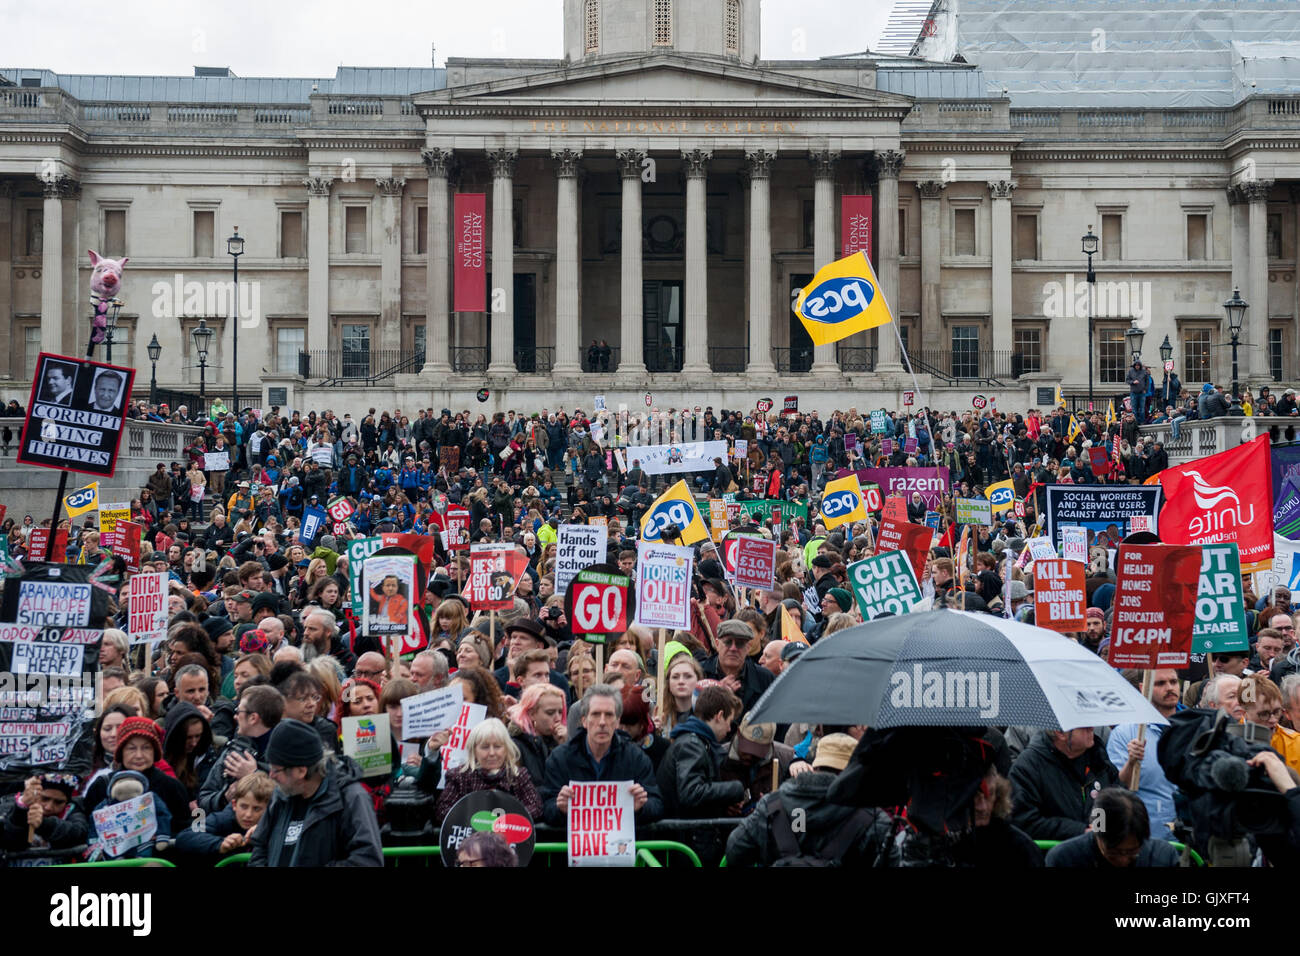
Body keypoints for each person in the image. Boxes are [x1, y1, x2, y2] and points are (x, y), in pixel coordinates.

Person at [725, 733, 896, 867]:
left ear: (816, 765)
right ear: (853, 770)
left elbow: (735, 851)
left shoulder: (772, 805)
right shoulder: (871, 817)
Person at [249, 718, 384, 867]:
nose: (271, 775)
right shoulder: (282, 793)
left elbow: (368, 860)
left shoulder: (351, 798)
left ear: (301, 771)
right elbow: (260, 848)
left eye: (276, 770)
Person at [540, 684, 664, 826]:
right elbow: (546, 807)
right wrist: (560, 809)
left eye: (609, 715)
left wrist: (641, 807)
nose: (602, 722)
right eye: (596, 714)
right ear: (584, 721)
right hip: (576, 847)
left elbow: (657, 805)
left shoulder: (636, 757)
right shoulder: (559, 758)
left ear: (617, 721)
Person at [1008, 726, 1124, 840]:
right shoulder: (1028, 766)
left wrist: (1101, 828)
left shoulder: (1098, 757)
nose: (1091, 728)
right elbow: (1024, 821)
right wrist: (1080, 831)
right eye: (1084, 726)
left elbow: (1116, 800)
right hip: (1051, 855)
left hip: (1100, 851)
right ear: (1060, 732)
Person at [433, 718, 543, 826]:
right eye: (485, 747)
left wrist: (505, 820)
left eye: (497, 747)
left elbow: (536, 807)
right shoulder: (459, 776)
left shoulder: (518, 776)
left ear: (506, 749)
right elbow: (443, 811)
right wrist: (476, 819)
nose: (491, 753)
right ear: (474, 750)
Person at [1045, 789, 1181, 867]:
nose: (1123, 861)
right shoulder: (1064, 859)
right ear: (1096, 832)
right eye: (1113, 853)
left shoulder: (1162, 857)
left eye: (1132, 852)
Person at [174, 771, 274, 865]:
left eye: (257, 809)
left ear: (269, 809)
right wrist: (220, 844)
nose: (248, 814)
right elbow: (185, 837)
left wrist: (263, 831)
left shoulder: (277, 823)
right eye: (244, 806)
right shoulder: (224, 818)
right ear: (234, 804)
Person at [702, 619, 775, 713]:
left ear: (748, 648)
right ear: (717, 645)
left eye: (739, 644)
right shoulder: (699, 674)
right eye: (728, 642)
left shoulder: (765, 679)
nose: (733, 648)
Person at [2, 773, 88, 852]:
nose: (49, 807)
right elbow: (9, 842)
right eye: (44, 799)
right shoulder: (14, 804)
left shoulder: (72, 810)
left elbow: (79, 834)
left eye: (58, 802)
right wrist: (20, 813)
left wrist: (43, 824)